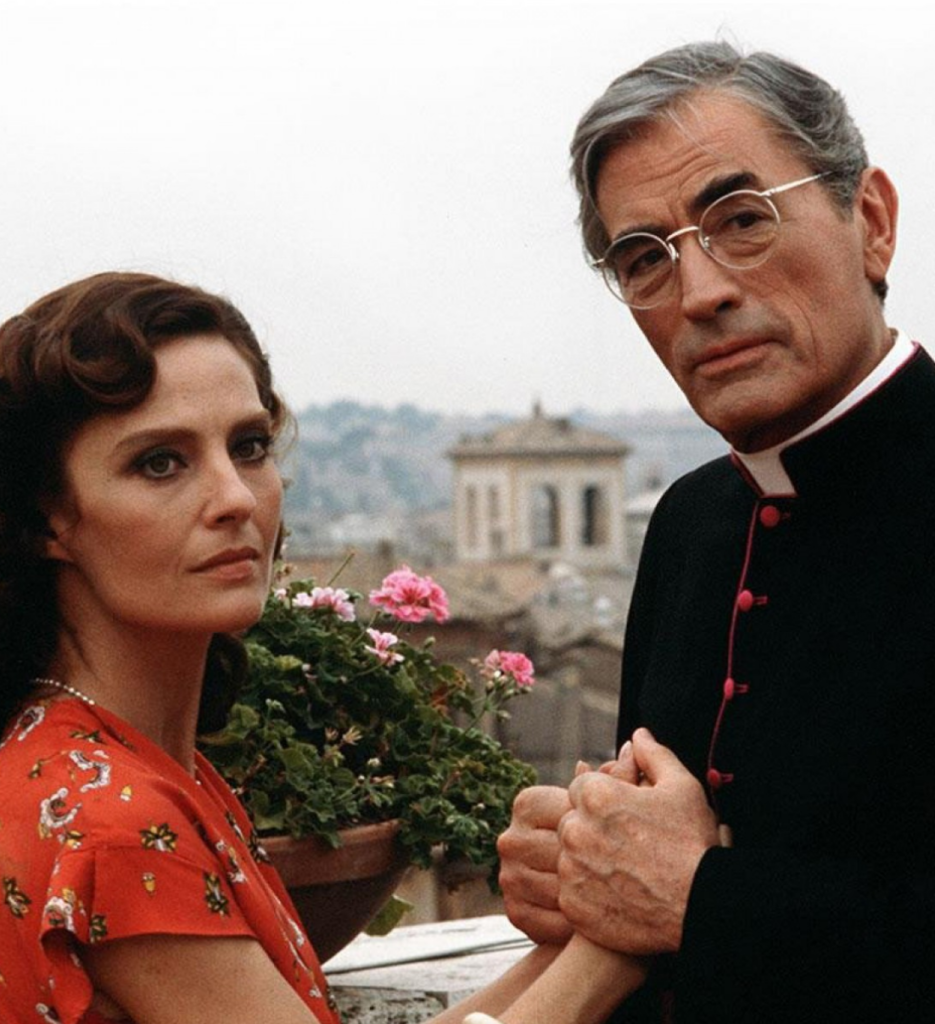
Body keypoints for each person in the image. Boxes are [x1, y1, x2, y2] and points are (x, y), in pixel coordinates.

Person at [0, 270, 648, 1024]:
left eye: (249, 447)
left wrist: (576, 944)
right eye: (160, 463)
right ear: (47, 520)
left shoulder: (108, 765)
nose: (236, 498)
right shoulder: (111, 821)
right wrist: (628, 935)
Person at [497, 40, 935, 1023]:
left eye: (740, 220)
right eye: (643, 258)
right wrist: (580, 869)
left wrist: (701, 900)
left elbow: (686, 893)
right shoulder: (691, 522)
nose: (699, 293)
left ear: (869, 222)